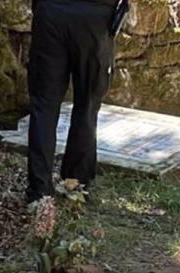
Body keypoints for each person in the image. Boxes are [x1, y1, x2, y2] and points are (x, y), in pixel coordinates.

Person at [26, 0, 127, 203]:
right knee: (87, 105)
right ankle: (76, 182)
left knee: (44, 106)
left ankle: (40, 192)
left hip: (52, 13)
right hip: (95, 16)